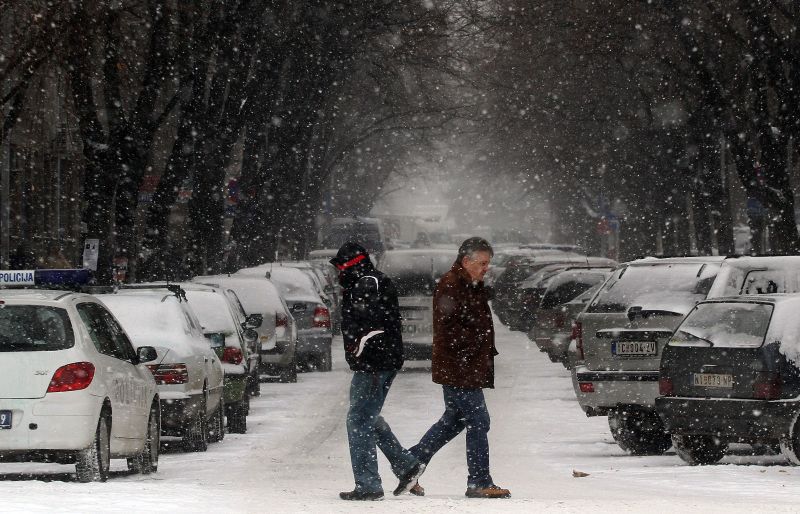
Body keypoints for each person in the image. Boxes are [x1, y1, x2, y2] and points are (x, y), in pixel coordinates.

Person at [401, 237, 510, 499]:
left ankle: (407, 464)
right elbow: (450, 332)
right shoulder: (452, 285)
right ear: (466, 261)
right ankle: (479, 481)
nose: (486, 268)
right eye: (482, 263)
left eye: (488, 264)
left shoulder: (468, 284)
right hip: (460, 368)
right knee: (478, 421)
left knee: (453, 421)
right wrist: (473, 349)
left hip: (463, 366)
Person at [331, 242, 426, 501]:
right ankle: (407, 465)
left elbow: (369, 326)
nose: (338, 273)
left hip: (373, 364)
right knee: (367, 416)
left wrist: (360, 352)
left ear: (350, 265)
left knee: (359, 419)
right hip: (381, 362)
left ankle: (368, 485)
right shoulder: (370, 281)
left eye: (340, 267)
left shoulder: (366, 284)